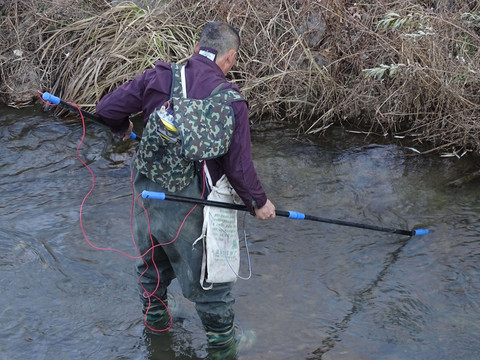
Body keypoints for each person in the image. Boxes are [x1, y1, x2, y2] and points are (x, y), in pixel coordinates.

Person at [96, 21, 275, 355]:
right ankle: (224, 346)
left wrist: (122, 128)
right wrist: (260, 203)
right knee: (212, 283)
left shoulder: (159, 76)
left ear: (196, 46)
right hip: (194, 210)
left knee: (152, 268)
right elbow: (239, 168)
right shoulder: (231, 102)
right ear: (231, 57)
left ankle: (158, 330)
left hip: (148, 200)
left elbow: (106, 111)